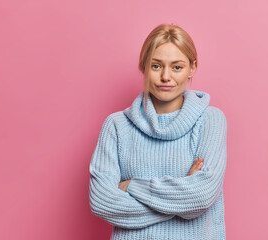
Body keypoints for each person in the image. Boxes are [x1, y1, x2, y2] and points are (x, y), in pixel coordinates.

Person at [88, 23, 228, 240]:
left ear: (192, 68)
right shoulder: (117, 125)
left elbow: (201, 195)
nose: (165, 76)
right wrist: (181, 199)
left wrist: (130, 187)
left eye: (177, 67)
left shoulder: (210, 120)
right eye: (156, 66)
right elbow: (102, 201)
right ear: (143, 66)